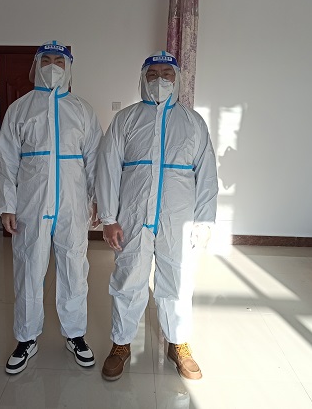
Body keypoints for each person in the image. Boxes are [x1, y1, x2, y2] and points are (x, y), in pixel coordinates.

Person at [96, 51, 218, 381]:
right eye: (152, 74)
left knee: (177, 280)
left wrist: (204, 220)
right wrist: (108, 218)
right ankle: (121, 343)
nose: (160, 79)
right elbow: (107, 168)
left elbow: (207, 174)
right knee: (129, 278)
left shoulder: (193, 122)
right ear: (142, 79)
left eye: (167, 73)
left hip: (178, 218)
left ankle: (178, 342)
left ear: (177, 80)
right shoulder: (125, 119)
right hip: (133, 215)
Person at [0, 41, 103, 374]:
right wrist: (7, 205)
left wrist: (96, 199)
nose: (53, 66)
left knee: (74, 270)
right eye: (47, 60)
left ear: (69, 67)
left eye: (60, 60)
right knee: (28, 270)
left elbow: (95, 160)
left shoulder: (82, 110)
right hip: (31, 204)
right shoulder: (19, 109)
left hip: (72, 204)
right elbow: (6, 161)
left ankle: (75, 334)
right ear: (36, 65)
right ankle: (26, 338)